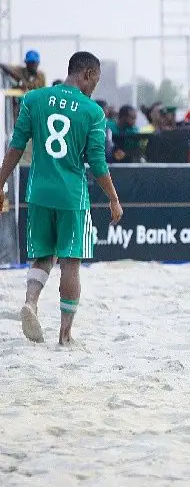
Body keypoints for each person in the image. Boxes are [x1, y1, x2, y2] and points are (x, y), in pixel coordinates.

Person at [0, 51, 123, 345]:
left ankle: (31, 302)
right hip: (71, 195)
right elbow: (97, 162)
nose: (95, 87)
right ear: (88, 74)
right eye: (96, 80)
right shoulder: (92, 112)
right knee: (70, 262)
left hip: (39, 190)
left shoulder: (34, 99)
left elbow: (16, 145)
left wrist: (0, 182)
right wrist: (114, 199)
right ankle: (65, 335)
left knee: (42, 255)